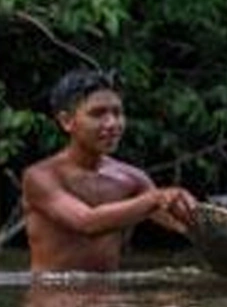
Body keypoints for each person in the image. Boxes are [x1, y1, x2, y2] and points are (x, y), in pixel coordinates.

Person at [22, 68, 197, 273]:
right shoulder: (41, 177)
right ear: (66, 121)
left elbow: (182, 223)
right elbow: (86, 222)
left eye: (117, 113)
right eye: (97, 114)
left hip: (107, 300)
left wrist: (188, 209)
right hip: (53, 298)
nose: (112, 123)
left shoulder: (131, 178)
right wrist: (156, 198)